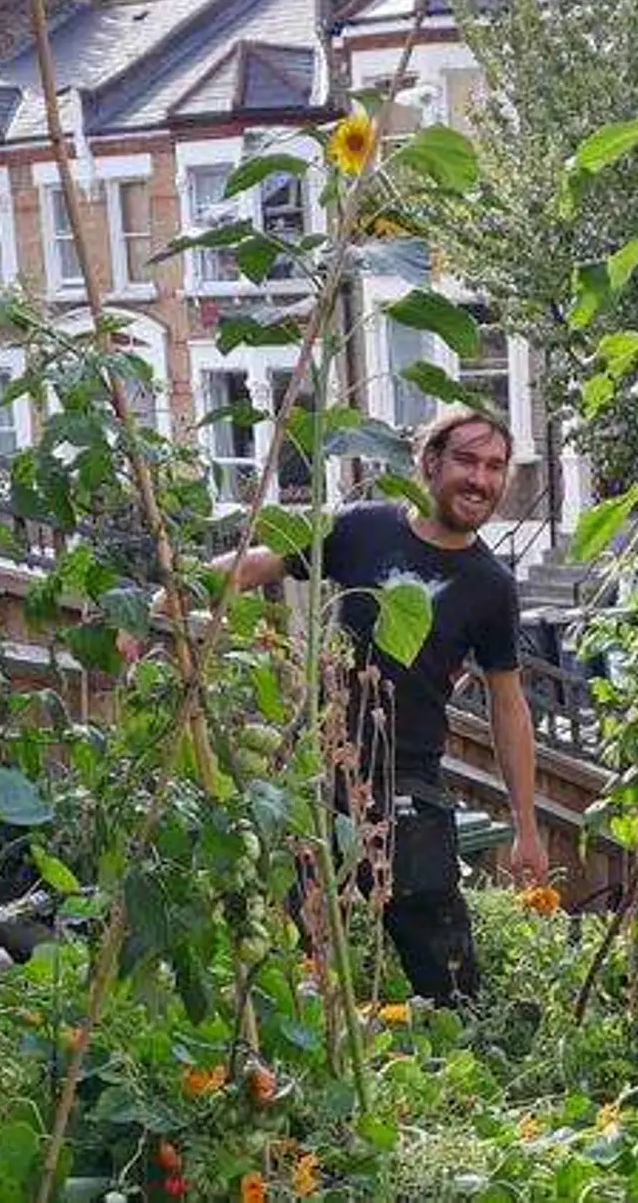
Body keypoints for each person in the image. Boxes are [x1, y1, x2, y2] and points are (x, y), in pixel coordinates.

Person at [207, 405, 547, 1004]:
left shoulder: (490, 585)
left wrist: (527, 828)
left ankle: (461, 1073)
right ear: (430, 461)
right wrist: (167, 593)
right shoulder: (364, 528)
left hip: (405, 778)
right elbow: (255, 565)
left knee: (448, 976)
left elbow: (509, 704)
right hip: (315, 767)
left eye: (496, 467)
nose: (482, 479)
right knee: (282, 949)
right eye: (466, 460)